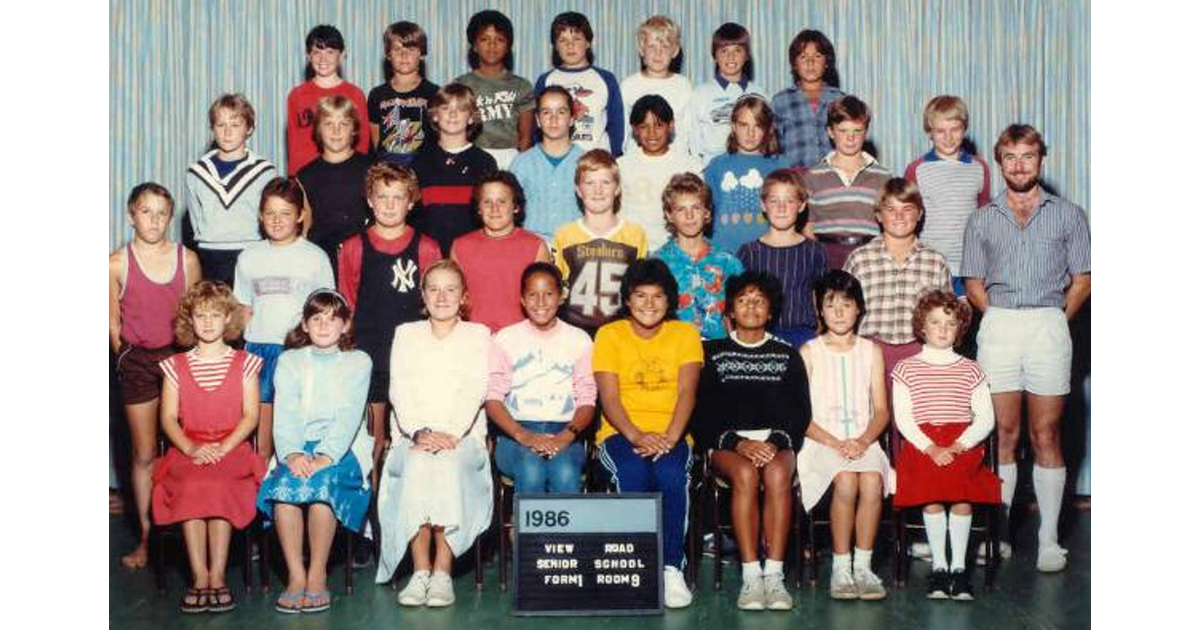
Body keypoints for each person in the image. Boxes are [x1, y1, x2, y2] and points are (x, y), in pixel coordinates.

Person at [961, 124, 1090, 573]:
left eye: (1028, 156)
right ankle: (998, 536)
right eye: (1010, 157)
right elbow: (973, 280)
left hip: (1048, 326)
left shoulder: (1069, 214)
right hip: (999, 325)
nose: (1019, 165)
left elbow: (1084, 278)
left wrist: (1057, 317)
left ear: (1041, 160)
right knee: (1004, 436)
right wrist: (993, 314)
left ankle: (1050, 539)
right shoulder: (982, 219)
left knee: (1046, 435)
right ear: (999, 162)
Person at [376, 260, 495, 608]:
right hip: (413, 436)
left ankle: (443, 572)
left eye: (451, 289)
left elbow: (475, 388)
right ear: (423, 295)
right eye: (434, 289)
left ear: (464, 297)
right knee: (418, 464)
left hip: (463, 437)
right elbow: (399, 389)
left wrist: (451, 434)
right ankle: (420, 571)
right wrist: (420, 431)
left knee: (445, 463)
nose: (442, 296)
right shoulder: (406, 333)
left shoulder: (478, 335)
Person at [692, 271, 810, 611]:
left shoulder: (787, 355)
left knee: (775, 474)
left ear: (771, 311)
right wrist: (738, 442)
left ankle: (773, 575)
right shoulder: (712, 353)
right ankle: (750, 575)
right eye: (743, 300)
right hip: (728, 443)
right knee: (745, 473)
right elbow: (702, 413)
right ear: (729, 310)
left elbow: (799, 412)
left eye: (759, 301)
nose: (751, 307)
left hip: (775, 441)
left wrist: (774, 441)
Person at [593, 258, 703, 608]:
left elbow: (688, 392)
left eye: (658, 297)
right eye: (641, 296)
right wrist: (638, 436)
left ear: (670, 301)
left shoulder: (685, 334)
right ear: (627, 299)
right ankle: (636, 566)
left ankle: (671, 567)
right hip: (621, 433)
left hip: (672, 433)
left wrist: (670, 437)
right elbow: (609, 398)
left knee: (671, 473)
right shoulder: (609, 335)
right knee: (633, 472)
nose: (649, 305)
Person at [257, 290, 372, 614]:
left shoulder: (358, 361)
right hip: (294, 445)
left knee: (322, 488)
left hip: (342, 447)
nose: (324, 326)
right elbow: (286, 412)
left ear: (345, 325)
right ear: (305, 325)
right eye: (316, 319)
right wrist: (292, 454)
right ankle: (296, 575)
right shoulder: (290, 360)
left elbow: (349, 415)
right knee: (285, 491)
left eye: (332, 319)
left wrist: (324, 457)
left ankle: (318, 572)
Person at [153, 281, 264, 613]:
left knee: (219, 483)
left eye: (215, 314)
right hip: (190, 447)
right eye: (200, 315)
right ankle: (199, 575)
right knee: (191, 483)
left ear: (228, 317)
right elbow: (169, 419)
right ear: (189, 319)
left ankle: (218, 574)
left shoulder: (246, 362)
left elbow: (250, 416)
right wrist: (191, 448)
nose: (208, 322)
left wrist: (224, 447)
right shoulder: (175, 366)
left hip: (233, 447)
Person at [110, 183, 201, 569]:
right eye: (145, 212)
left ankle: (187, 536)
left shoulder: (187, 260)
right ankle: (147, 538)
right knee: (145, 453)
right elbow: (111, 324)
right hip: (139, 362)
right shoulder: (115, 263)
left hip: (178, 360)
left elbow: (197, 316)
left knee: (185, 448)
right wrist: (127, 359)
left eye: (162, 212)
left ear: (170, 217)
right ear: (131, 215)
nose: (154, 220)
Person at [892, 290, 1000, 601]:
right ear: (922, 326)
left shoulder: (970, 369)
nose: (942, 329)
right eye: (935, 322)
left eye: (950, 323)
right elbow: (904, 418)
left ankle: (959, 569)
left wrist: (958, 445)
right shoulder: (906, 368)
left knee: (961, 492)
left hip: (961, 444)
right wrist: (931, 447)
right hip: (923, 444)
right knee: (933, 492)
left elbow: (985, 419)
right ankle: (939, 567)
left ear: (960, 329)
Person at [338, 163, 440, 481]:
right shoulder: (354, 247)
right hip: (370, 356)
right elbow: (348, 304)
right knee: (375, 440)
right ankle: (374, 519)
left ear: (411, 202)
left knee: (413, 437)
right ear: (370, 199)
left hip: (413, 359)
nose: (390, 205)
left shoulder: (427, 247)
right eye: (383, 197)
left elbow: (435, 307)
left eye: (398, 197)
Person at [796, 269, 891, 601]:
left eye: (847, 304)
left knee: (872, 481)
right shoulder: (809, 351)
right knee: (847, 481)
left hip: (863, 440)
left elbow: (881, 410)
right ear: (820, 309)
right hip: (821, 442)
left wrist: (864, 441)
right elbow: (800, 416)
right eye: (830, 304)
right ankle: (841, 566)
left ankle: (863, 566)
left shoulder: (871, 351)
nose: (838, 312)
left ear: (859, 309)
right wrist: (835, 443)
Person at [234, 178, 335, 463]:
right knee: (262, 439)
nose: (277, 221)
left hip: (299, 351)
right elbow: (244, 308)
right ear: (260, 215)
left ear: (301, 215)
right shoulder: (249, 257)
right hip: (259, 350)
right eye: (270, 213)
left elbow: (327, 310)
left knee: (296, 433)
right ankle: (260, 503)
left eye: (286, 213)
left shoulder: (315, 257)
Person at [487, 263, 597, 493]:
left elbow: (587, 400)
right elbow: (493, 399)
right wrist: (523, 435)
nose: (540, 302)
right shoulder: (506, 338)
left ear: (560, 297)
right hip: (514, 433)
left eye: (548, 294)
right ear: (522, 299)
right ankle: (528, 531)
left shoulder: (579, 340)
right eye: (532, 295)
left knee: (565, 470)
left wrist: (565, 437)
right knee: (531, 468)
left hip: (566, 430)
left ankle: (564, 531)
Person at [844, 178, 952, 388]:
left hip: (920, 352)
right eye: (890, 209)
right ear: (878, 215)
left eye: (908, 208)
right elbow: (845, 310)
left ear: (920, 214)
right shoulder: (859, 259)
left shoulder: (935, 261)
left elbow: (945, 316)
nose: (899, 216)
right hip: (870, 351)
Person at [552, 148, 648, 334]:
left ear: (618, 188)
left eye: (605, 182)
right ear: (578, 190)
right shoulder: (565, 234)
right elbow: (558, 290)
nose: (598, 190)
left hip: (621, 332)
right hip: (575, 331)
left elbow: (640, 291)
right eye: (589, 183)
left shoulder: (635, 235)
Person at [184, 94, 276, 287]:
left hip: (251, 252)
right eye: (220, 125)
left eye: (235, 125)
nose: (227, 132)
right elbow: (195, 220)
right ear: (212, 128)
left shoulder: (265, 172)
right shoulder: (196, 172)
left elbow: (269, 218)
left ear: (249, 128)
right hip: (209, 256)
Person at [903, 95, 991, 295]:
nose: (948, 137)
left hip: (968, 267)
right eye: (940, 131)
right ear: (929, 132)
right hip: (930, 264)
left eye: (955, 130)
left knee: (964, 323)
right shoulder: (917, 169)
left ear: (965, 130)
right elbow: (909, 219)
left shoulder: (979, 167)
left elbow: (985, 218)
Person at [450, 172, 551, 332]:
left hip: (520, 339)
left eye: (502, 201)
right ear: (478, 208)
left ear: (516, 206)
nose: (494, 208)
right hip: (473, 338)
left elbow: (545, 302)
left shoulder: (535, 246)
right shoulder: (460, 246)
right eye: (487, 202)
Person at [736, 169, 827, 347]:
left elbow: (821, 295)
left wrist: (820, 329)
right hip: (760, 335)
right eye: (774, 201)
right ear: (763, 205)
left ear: (801, 205)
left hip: (803, 335)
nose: (781, 208)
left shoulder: (815, 251)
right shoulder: (750, 252)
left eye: (790, 201)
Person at [801, 95, 892, 270]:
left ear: (865, 132)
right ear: (830, 132)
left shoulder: (883, 176)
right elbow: (807, 227)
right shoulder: (813, 176)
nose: (850, 138)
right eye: (843, 131)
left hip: (870, 256)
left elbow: (889, 225)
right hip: (827, 256)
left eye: (857, 131)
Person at [409, 83, 499, 256]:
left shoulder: (485, 162)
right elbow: (413, 218)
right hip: (429, 256)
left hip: (473, 254)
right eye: (445, 108)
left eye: (461, 108)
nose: (452, 114)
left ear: (471, 117)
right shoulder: (419, 162)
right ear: (435, 116)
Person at [653, 172, 742, 340]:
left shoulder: (727, 261)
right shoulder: (658, 262)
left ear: (707, 212)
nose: (689, 215)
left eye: (696, 208)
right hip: (673, 348)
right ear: (669, 215)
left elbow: (741, 309)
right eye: (681, 209)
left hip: (717, 347)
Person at [296, 95, 373, 274]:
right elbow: (305, 228)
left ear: (354, 129)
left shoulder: (371, 169)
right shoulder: (305, 175)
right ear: (318, 130)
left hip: (363, 258)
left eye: (344, 124)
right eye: (329, 124)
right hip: (322, 260)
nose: (336, 131)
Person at [704, 95, 788, 253]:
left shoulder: (780, 164)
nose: (751, 133)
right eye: (744, 125)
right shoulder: (716, 165)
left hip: (768, 252)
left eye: (758, 126)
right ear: (734, 126)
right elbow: (707, 214)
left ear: (768, 128)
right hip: (724, 253)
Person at [618, 95, 702, 251]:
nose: (652, 133)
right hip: (632, 249)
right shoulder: (621, 166)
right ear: (634, 129)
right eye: (644, 126)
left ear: (671, 126)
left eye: (659, 125)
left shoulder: (690, 165)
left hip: (676, 251)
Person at [533, 11, 624, 154]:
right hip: (556, 159)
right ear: (555, 46)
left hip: (596, 162)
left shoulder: (606, 79)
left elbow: (616, 125)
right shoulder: (546, 80)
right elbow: (536, 127)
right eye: (563, 40)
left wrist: (616, 156)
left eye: (576, 39)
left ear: (588, 42)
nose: (570, 46)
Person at [453, 9, 535, 168]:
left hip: (511, 157)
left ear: (508, 45)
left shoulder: (521, 85)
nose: (492, 45)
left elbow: (526, 139)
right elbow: (455, 131)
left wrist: (521, 164)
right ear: (474, 46)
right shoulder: (461, 85)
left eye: (500, 39)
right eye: (485, 39)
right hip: (473, 156)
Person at [285, 25, 371, 176]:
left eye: (330, 52)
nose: (323, 59)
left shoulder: (355, 94)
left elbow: (362, 142)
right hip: (307, 176)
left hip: (346, 173)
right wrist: (294, 178)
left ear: (342, 55)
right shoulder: (296, 95)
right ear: (308, 56)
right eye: (316, 52)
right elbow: (293, 144)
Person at [509, 87, 586, 243]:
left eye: (561, 112)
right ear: (537, 120)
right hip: (531, 246)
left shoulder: (586, 162)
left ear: (572, 118)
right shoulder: (521, 163)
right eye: (546, 112)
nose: (553, 119)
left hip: (575, 246)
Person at [688, 23, 766, 166]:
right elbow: (693, 143)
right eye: (724, 51)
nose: (731, 57)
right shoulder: (700, 94)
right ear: (715, 56)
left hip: (752, 168)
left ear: (747, 55)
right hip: (711, 170)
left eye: (737, 50)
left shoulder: (760, 94)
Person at [367, 21, 439, 166]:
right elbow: (376, 142)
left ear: (422, 53)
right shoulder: (377, 94)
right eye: (397, 49)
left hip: (424, 169)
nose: (404, 55)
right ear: (388, 54)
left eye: (411, 49)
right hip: (388, 170)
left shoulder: (434, 93)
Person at [772, 29, 845, 170]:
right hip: (794, 178)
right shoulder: (780, 102)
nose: (810, 62)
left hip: (832, 177)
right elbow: (773, 147)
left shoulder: (840, 99)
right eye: (803, 57)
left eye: (817, 56)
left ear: (827, 62)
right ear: (794, 63)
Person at [620, 15, 692, 154]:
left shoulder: (683, 85)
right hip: (638, 161)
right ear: (641, 49)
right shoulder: (628, 85)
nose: (658, 53)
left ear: (675, 51)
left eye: (665, 47)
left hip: (675, 161)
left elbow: (688, 130)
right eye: (652, 47)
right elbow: (623, 131)